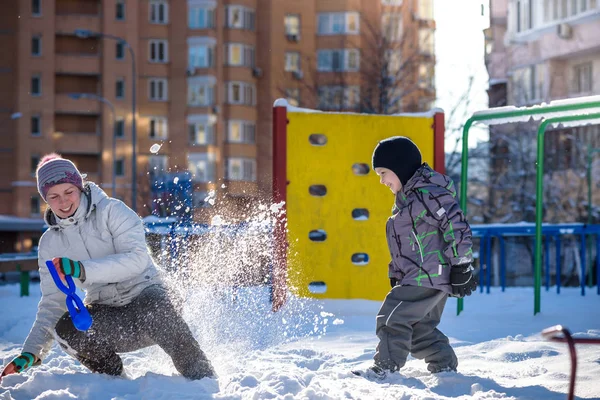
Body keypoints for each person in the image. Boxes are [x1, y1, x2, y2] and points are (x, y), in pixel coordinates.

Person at [0, 154, 214, 381]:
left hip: (152, 298)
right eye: (53, 196)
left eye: (68, 192)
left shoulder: (112, 211)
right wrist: (30, 353)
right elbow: (53, 303)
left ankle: (203, 380)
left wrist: (82, 269)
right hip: (113, 318)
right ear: (45, 199)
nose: (63, 202)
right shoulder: (50, 244)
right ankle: (113, 381)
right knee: (68, 328)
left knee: (155, 308)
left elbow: (136, 260)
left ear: (80, 187)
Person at [357, 136, 477, 379]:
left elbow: (457, 225)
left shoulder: (428, 194)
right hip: (421, 276)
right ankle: (444, 365)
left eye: (383, 173)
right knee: (419, 328)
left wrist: (462, 264)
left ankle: (385, 368)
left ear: (399, 167)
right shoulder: (406, 202)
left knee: (393, 318)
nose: (381, 181)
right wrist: (397, 274)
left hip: (428, 274)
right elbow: (405, 244)